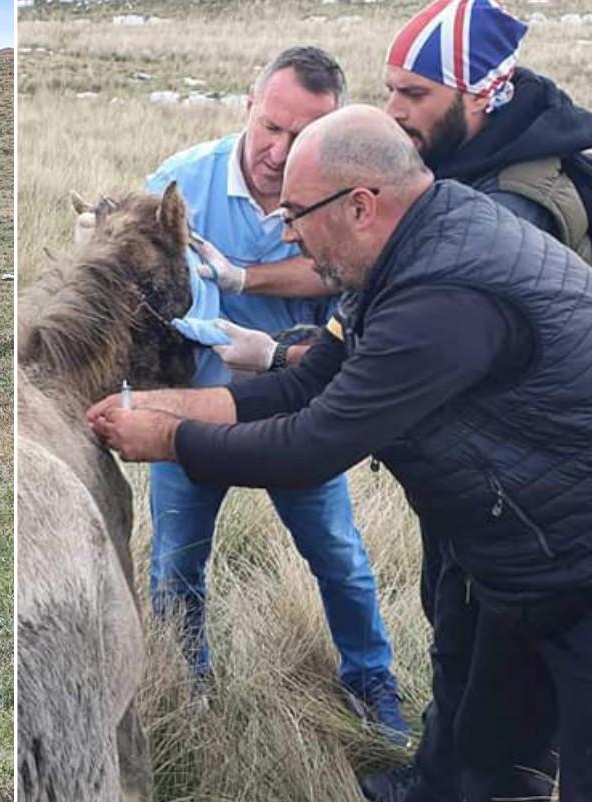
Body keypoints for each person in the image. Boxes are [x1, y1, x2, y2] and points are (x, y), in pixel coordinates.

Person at [88, 104, 592, 802]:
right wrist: (154, 408)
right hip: (513, 559)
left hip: (573, 566)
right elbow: (299, 384)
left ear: (359, 205)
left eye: (295, 213)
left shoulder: (441, 300)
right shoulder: (397, 259)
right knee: (481, 755)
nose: (285, 232)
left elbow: (311, 446)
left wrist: (169, 440)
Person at [139, 46, 408, 745]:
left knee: (339, 559)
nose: (277, 150)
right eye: (270, 127)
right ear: (247, 107)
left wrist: (244, 279)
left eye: (301, 135)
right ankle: (185, 689)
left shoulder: (339, 190)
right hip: (191, 414)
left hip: (300, 415)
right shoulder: (176, 187)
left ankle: (369, 677)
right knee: (175, 567)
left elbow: (339, 273)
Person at [213, 0, 592, 376]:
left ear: (479, 95)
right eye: (391, 90)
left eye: (415, 94)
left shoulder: (512, 205)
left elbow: (424, 354)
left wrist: (280, 356)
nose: (393, 110)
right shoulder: (449, 154)